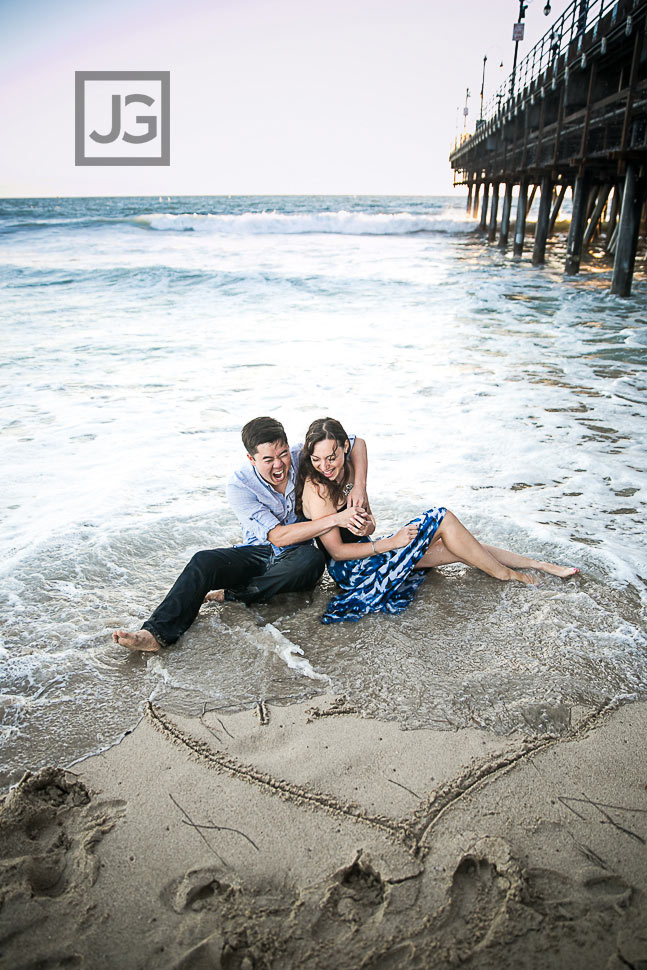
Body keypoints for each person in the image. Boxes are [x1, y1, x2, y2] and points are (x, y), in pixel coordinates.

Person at [113, 416, 371, 651]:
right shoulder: (240, 486)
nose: (279, 465)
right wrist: (336, 518)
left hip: (299, 555)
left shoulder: (302, 454)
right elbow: (277, 537)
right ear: (251, 459)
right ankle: (155, 634)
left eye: (282, 454)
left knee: (311, 559)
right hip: (260, 551)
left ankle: (233, 594)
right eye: (268, 460)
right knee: (204, 561)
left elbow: (356, 442)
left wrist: (359, 488)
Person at [296, 417, 579, 624]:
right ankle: (507, 574)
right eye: (317, 460)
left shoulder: (348, 464)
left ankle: (537, 564)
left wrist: (361, 488)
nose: (325, 466)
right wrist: (390, 543)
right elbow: (337, 552)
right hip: (356, 573)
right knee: (440, 517)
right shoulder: (318, 489)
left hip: (373, 553)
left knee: (461, 547)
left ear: (344, 447)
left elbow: (362, 445)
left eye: (331, 457)